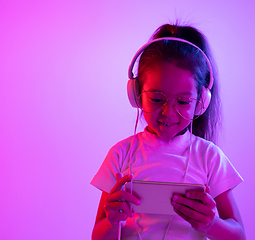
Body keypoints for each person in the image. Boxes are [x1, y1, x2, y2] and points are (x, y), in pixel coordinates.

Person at [91, 23, 246, 240]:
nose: (169, 112)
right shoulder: (120, 155)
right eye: (156, 99)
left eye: (183, 101)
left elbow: (239, 236)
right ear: (136, 94)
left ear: (201, 102)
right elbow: (97, 236)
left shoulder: (209, 158)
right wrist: (112, 222)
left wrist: (212, 225)